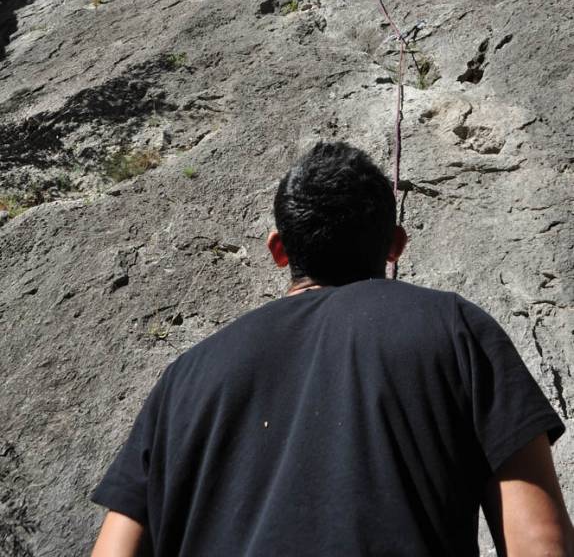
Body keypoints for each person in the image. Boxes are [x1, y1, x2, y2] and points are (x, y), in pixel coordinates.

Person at [91, 141, 572, 556]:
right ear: (396, 245)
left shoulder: (184, 379)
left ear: (279, 250)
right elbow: (539, 543)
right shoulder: (456, 328)